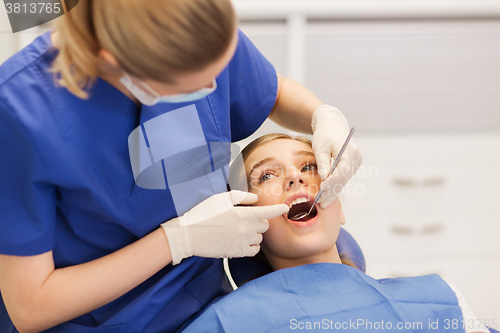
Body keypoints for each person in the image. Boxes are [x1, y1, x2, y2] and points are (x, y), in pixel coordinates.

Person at [0, 1, 362, 332]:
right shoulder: (20, 114)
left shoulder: (191, 20)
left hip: (209, 298)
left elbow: (273, 91)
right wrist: (178, 241)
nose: (214, 86)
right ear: (113, 60)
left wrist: (321, 114)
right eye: (194, 83)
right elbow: (30, 306)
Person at [182, 133, 491, 333]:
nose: (294, 177)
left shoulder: (441, 300)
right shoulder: (224, 324)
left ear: (340, 209)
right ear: (244, 223)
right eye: (266, 175)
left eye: (309, 167)